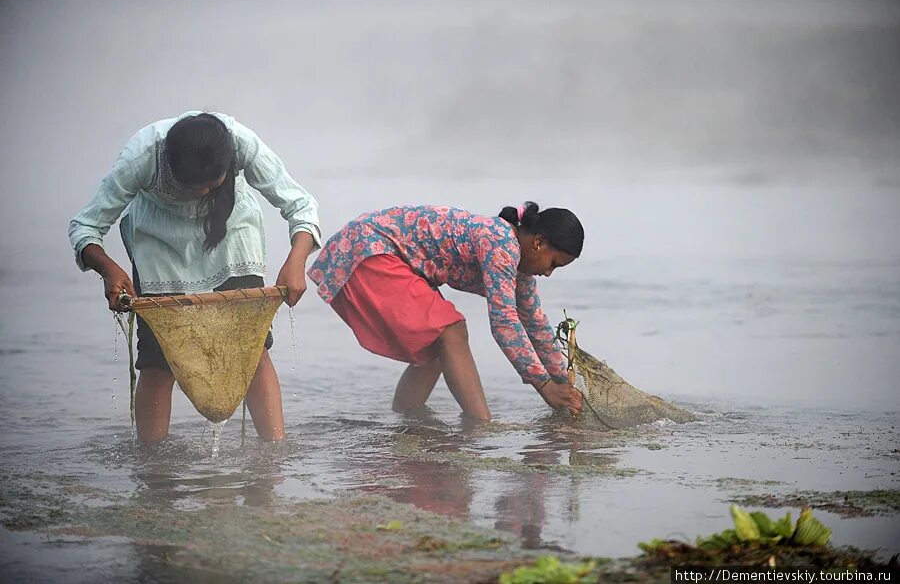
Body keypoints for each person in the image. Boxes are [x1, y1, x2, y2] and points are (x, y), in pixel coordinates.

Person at [68, 111, 320, 443]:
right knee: (159, 363)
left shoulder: (239, 143)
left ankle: (273, 457)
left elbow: (300, 204)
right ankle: (154, 471)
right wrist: (107, 267)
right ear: (170, 169)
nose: (202, 193)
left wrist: (296, 260)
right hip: (160, 249)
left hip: (231, 240)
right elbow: (85, 226)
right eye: (193, 185)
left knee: (252, 351)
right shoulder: (141, 158)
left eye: (211, 184)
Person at [307, 202, 584, 420]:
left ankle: (407, 421)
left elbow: (536, 325)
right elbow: (505, 323)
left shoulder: (520, 273)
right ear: (538, 243)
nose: (548, 273)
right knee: (451, 332)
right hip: (369, 247)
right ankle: (481, 426)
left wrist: (563, 383)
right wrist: (544, 386)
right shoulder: (501, 244)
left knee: (440, 349)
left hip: (387, 254)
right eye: (553, 263)